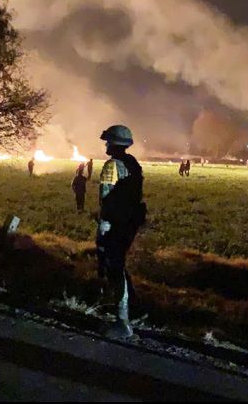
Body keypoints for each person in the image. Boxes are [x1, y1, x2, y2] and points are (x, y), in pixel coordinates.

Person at [96, 125, 147, 338]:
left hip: (114, 224)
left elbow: (106, 198)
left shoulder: (111, 166)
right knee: (119, 265)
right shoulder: (133, 164)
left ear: (114, 144)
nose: (106, 145)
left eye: (108, 141)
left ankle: (123, 322)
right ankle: (134, 311)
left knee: (113, 267)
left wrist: (104, 225)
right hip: (129, 223)